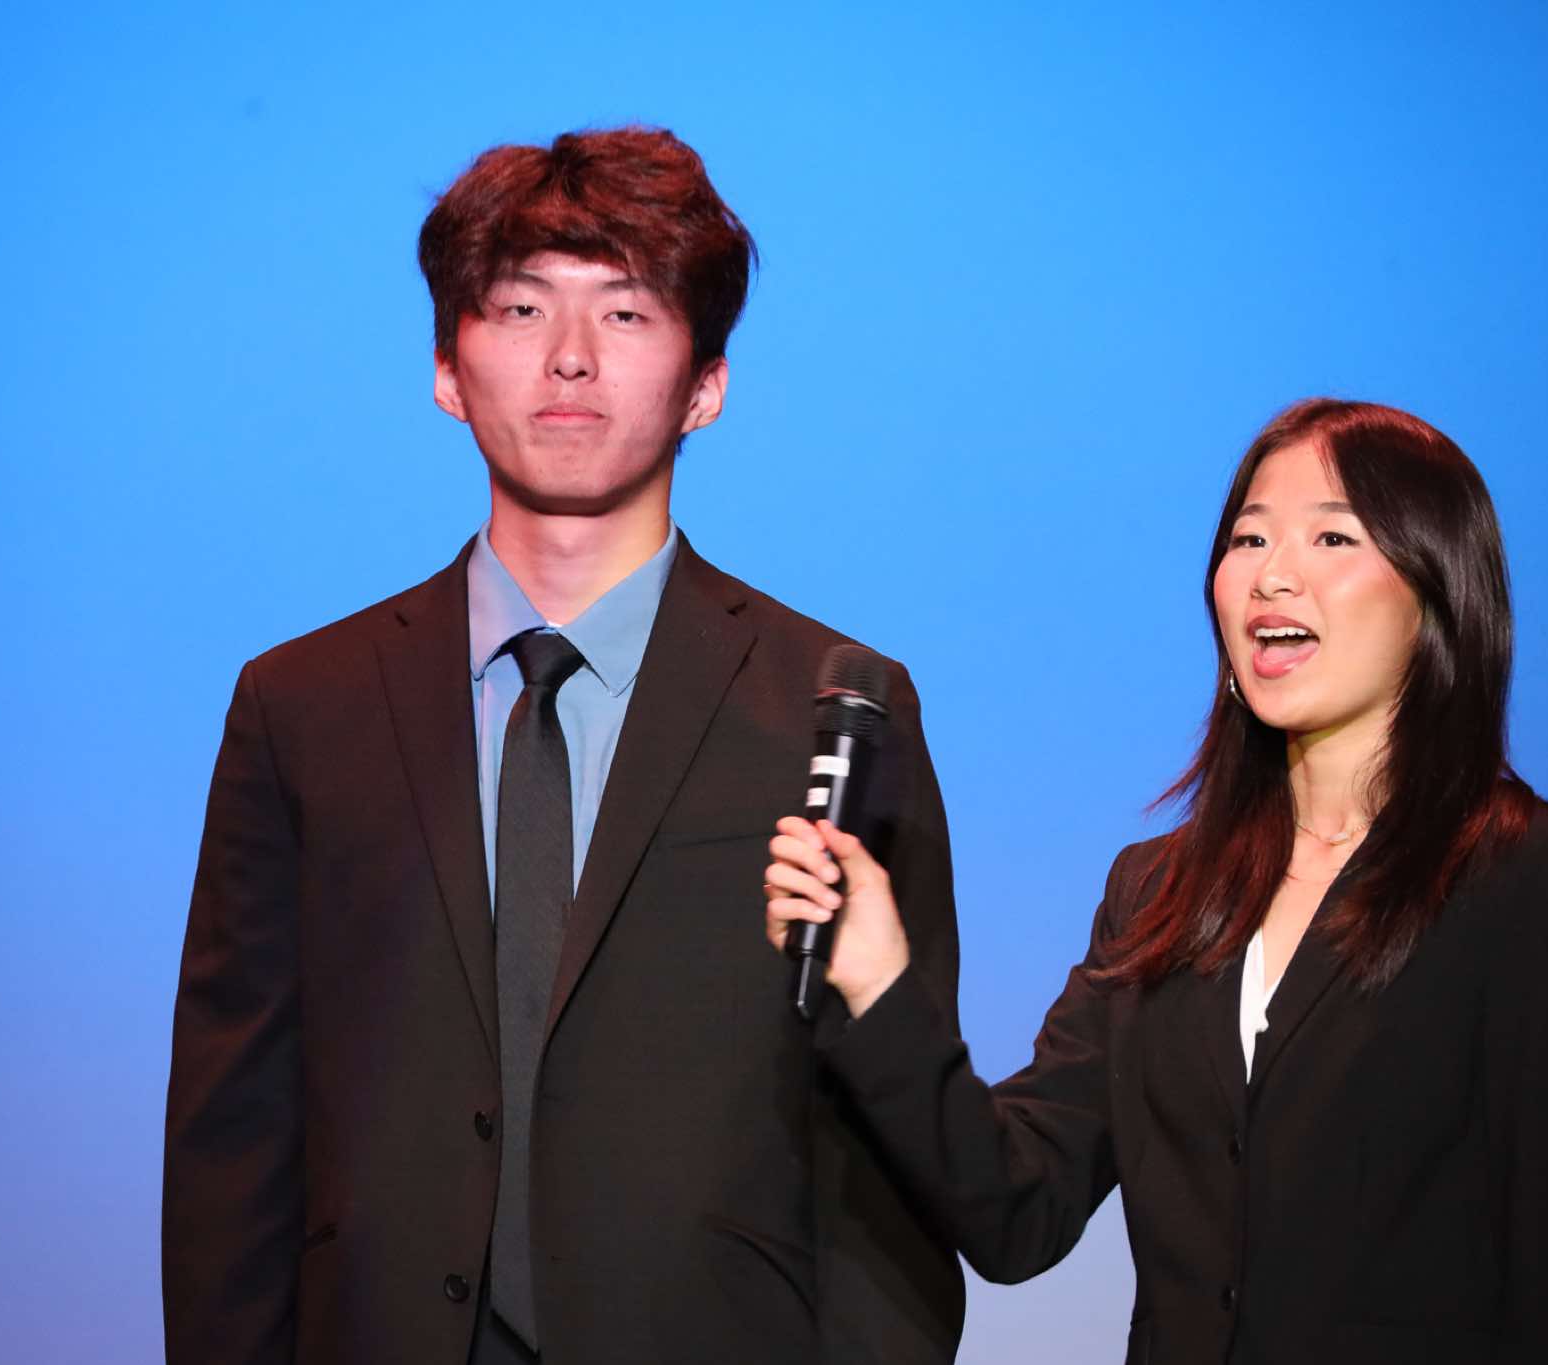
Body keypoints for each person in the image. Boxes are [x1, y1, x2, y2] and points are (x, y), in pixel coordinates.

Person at [163, 127, 965, 1365]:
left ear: (705, 386)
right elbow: (235, 1131)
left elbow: (885, 1149)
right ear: (447, 369)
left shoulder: (830, 706)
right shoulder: (302, 705)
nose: (571, 356)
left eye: (627, 312)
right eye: (521, 307)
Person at [765, 398, 1548, 1363]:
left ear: (1437, 590)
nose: (1273, 574)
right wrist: (879, 986)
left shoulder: (1540, 880)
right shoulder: (1159, 892)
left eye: (1332, 537)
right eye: (1249, 538)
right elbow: (1017, 1209)